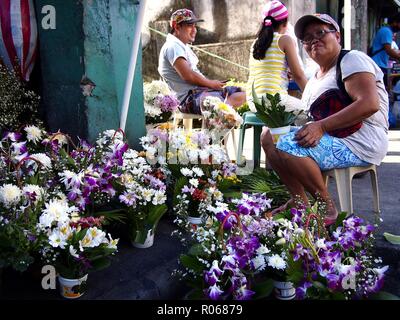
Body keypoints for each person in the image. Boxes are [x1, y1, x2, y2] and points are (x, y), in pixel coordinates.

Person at [260, 13, 389, 225]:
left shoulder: (352, 59)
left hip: (361, 139)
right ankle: (299, 201)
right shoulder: (314, 79)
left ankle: (326, 207)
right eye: (307, 39)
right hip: (332, 137)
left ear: (337, 36)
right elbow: (307, 119)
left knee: (286, 145)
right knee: (269, 135)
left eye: (320, 33)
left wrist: (321, 126)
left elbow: (369, 104)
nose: (313, 41)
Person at [158, 8, 246, 114]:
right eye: (190, 25)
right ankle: (219, 118)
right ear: (177, 27)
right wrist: (210, 83)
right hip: (189, 98)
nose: (194, 30)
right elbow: (187, 75)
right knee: (219, 103)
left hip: (200, 92)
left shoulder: (180, 46)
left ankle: (220, 116)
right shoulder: (173, 46)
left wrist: (211, 85)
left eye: (195, 26)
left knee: (241, 93)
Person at [246, 0, 307, 116]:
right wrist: (314, 98)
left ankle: (268, 133)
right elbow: (299, 76)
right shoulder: (285, 40)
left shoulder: (255, 43)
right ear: (285, 24)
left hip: (253, 102)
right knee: (310, 112)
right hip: (273, 101)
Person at [371, 14, 400, 86]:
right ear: (395, 22)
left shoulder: (386, 31)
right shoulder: (387, 31)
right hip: (378, 64)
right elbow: (388, 50)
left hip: (381, 64)